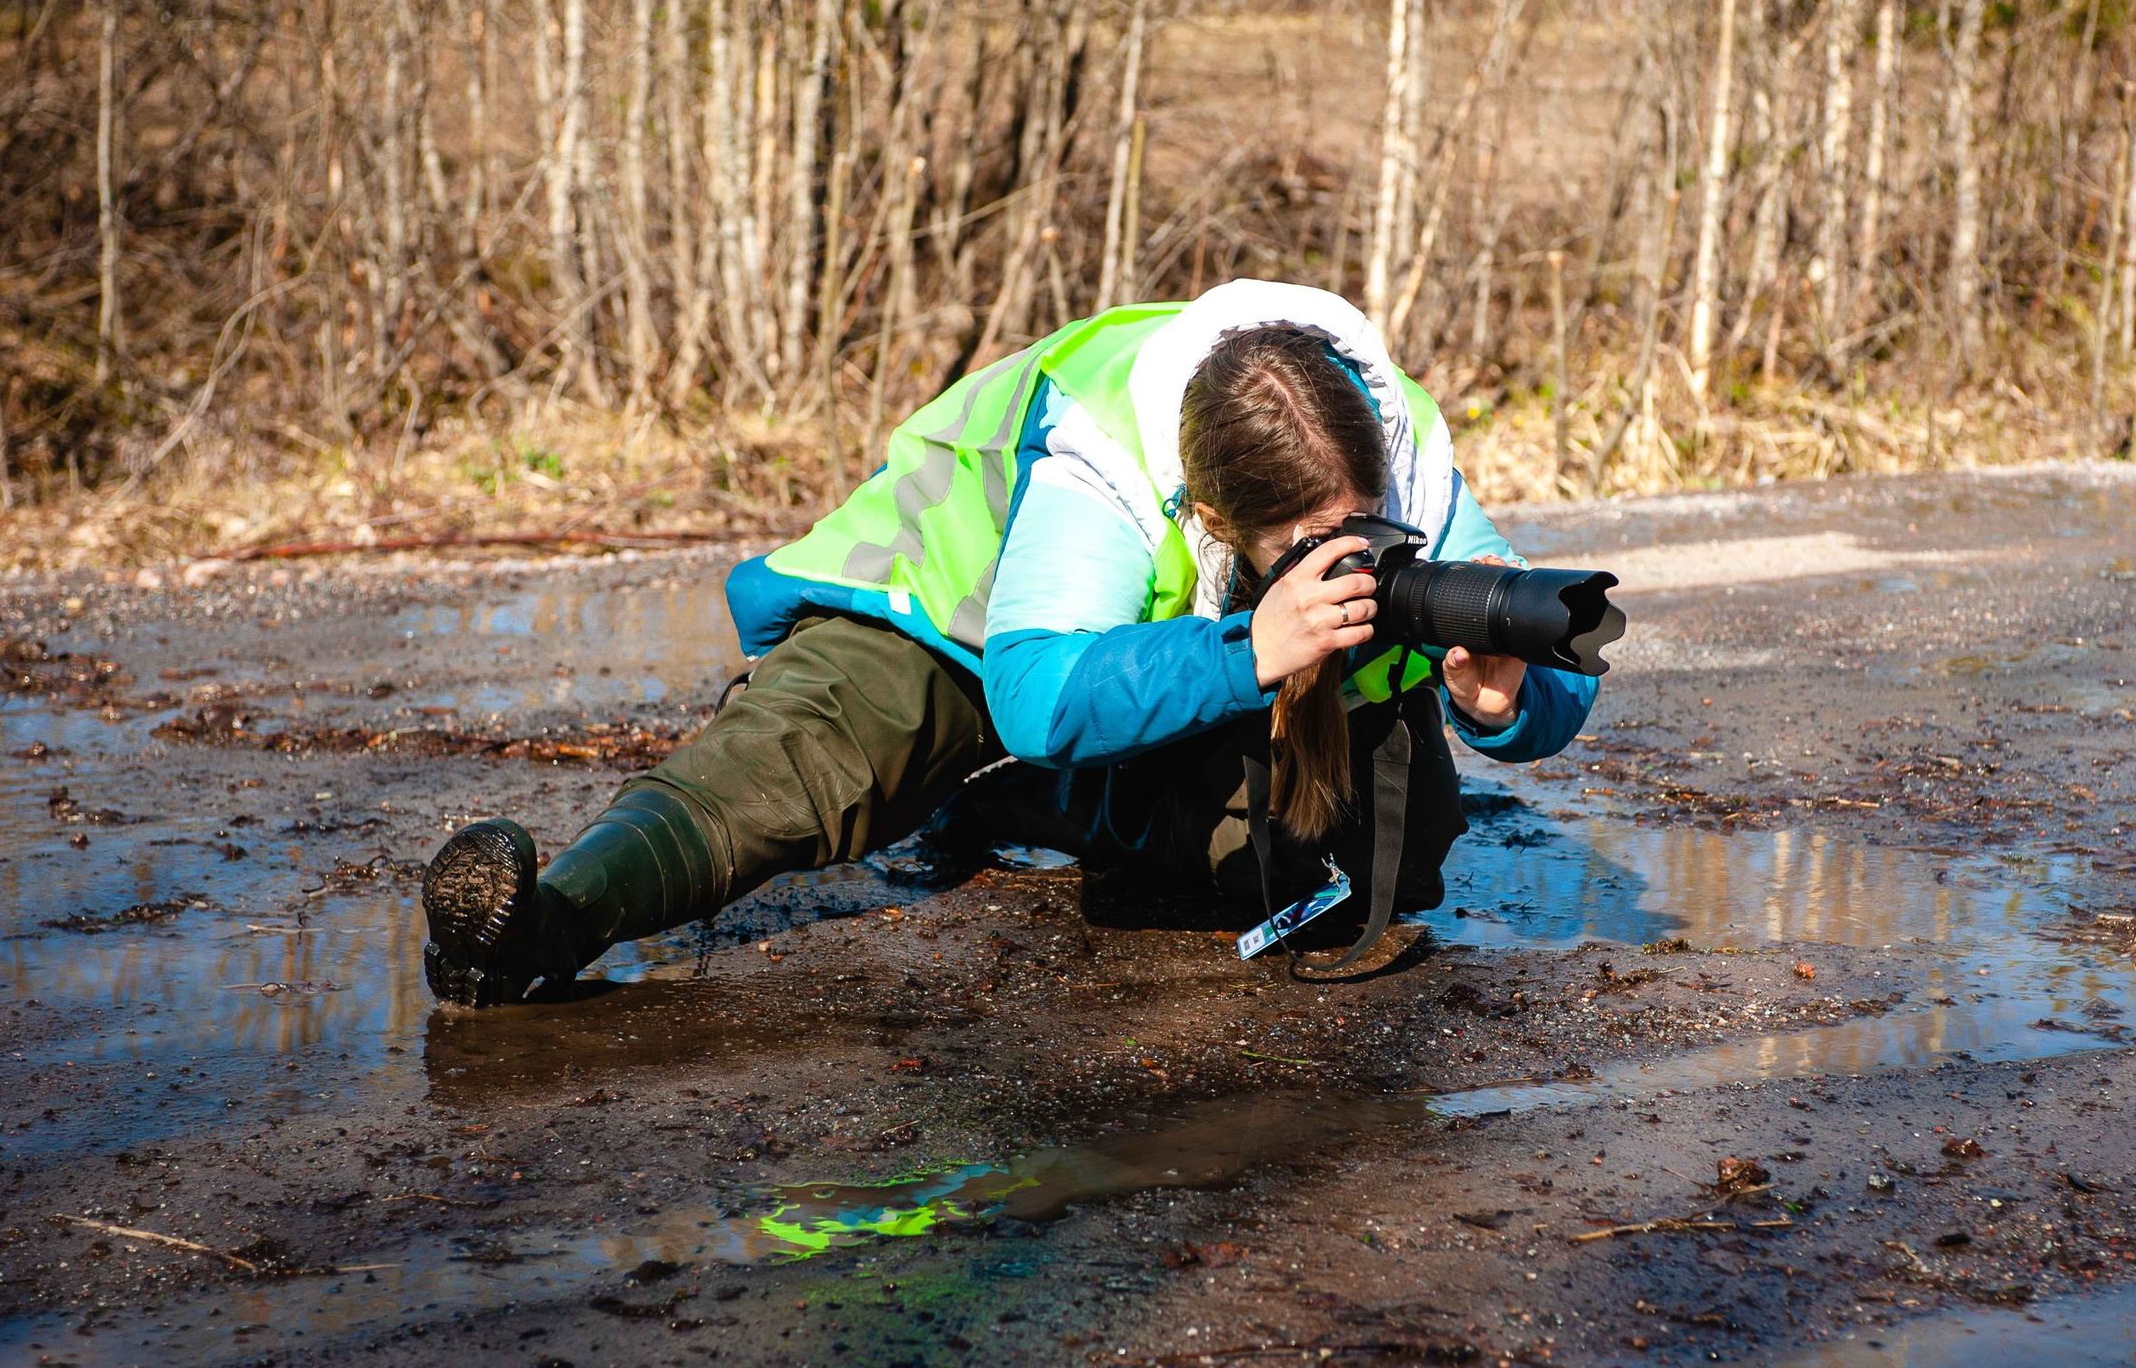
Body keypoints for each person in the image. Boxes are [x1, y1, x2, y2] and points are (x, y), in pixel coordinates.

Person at [419, 282, 1600, 1005]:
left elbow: (1534, 667)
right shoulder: (1114, 453)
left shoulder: (1406, 454)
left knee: (1343, 856)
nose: (1352, 558)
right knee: (796, 776)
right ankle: (540, 924)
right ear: (1213, 521)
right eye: (1302, 545)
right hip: (939, 613)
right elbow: (1034, 690)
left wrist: (1501, 706)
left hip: (1147, 659)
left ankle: (1010, 803)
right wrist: (1249, 651)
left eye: (1365, 529)